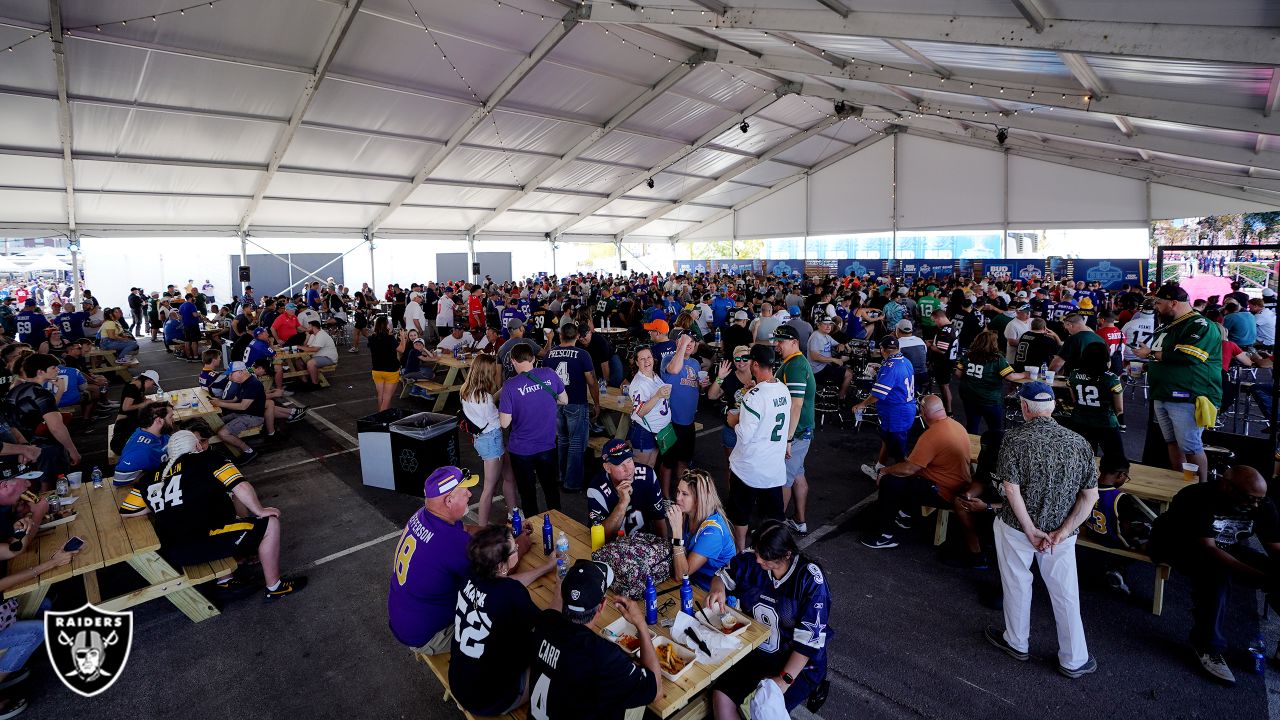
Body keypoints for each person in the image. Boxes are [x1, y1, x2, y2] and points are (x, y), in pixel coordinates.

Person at [985, 381, 1098, 679]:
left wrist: (1030, 528)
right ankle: (1074, 659)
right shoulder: (1079, 442)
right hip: (1062, 532)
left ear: (1024, 407)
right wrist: (1063, 531)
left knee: (1017, 582)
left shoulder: (1014, 439)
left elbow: (1011, 489)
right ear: (1053, 407)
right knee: (1065, 592)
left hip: (1016, 528)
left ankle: (1017, 641)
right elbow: (1090, 496)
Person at [118, 429, 306, 601]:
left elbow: (128, 511)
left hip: (172, 552)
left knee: (208, 518)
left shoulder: (152, 476)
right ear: (198, 446)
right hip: (200, 545)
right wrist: (260, 511)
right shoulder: (208, 458)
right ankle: (275, 587)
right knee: (269, 524)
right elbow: (239, 485)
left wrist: (162, 504)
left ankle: (225, 580)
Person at [1148, 465, 1279, 686]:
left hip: (1223, 546)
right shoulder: (1197, 497)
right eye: (1250, 499)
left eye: (1260, 499)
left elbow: (1275, 546)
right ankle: (1208, 646)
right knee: (1217, 576)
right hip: (1178, 545)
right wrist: (1263, 579)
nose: (1256, 504)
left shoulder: (1261, 505)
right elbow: (1208, 550)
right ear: (1227, 486)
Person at [709, 521, 831, 717]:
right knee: (721, 696)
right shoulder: (751, 558)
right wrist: (718, 587)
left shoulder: (809, 580)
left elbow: (808, 643)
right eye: (757, 552)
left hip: (796, 662)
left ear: (786, 554)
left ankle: (814, 685)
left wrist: (784, 680)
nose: (758, 560)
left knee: (763, 711)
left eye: (764, 557)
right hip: (757, 654)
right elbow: (722, 576)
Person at [528, 559, 661, 719]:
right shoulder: (605, 655)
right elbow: (656, 692)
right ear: (602, 605)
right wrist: (641, 623)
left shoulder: (545, 621)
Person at [447, 524, 556, 716]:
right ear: (501, 566)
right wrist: (562, 582)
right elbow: (552, 625)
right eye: (515, 549)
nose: (518, 550)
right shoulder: (511, 594)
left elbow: (505, 585)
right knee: (552, 656)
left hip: (460, 683)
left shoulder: (471, 574)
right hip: (490, 700)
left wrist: (546, 566)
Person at [862, 395, 975, 552]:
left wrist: (884, 470)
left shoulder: (932, 435)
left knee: (891, 482)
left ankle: (883, 535)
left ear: (923, 411)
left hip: (943, 491)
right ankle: (905, 514)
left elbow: (909, 469)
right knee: (908, 478)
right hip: (957, 485)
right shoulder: (957, 426)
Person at [388, 466, 482, 654]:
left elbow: (465, 529)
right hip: (428, 635)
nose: (470, 494)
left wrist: (496, 532)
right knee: (502, 624)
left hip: (405, 618)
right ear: (449, 501)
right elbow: (494, 577)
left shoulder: (423, 515)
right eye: (465, 492)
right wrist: (518, 544)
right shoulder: (450, 543)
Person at [1132, 284, 1221, 483]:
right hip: (1163, 392)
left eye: (1159, 302)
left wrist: (1152, 354)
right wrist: (1146, 365)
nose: (1156, 307)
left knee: (1190, 445)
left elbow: (1189, 357)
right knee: (1172, 443)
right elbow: (1164, 357)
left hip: (1188, 394)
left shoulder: (1200, 324)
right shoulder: (1167, 325)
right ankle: (1180, 486)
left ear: (1173, 302)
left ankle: (1200, 490)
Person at [726, 344, 791, 547]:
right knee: (773, 517)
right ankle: (776, 552)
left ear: (755, 364)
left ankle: (740, 552)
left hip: (749, 468)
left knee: (741, 514)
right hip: (774, 467)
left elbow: (744, 435)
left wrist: (733, 421)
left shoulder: (753, 396)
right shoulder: (783, 389)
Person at [499, 344, 566, 516]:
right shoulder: (549, 374)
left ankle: (533, 532)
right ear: (534, 359)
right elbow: (564, 400)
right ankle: (559, 524)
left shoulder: (510, 386)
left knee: (528, 494)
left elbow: (505, 423)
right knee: (551, 489)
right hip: (547, 445)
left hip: (521, 450)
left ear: (513, 361)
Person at [459, 355, 517, 527]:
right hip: (491, 440)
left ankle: (513, 513)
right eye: (492, 370)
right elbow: (499, 420)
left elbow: (490, 402)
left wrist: (503, 390)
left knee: (509, 476)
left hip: (485, 440)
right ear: (485, 372)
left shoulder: (467, 390)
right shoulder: (483, 397)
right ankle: (481, 528)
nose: (495, 373)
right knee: (489, 488)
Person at [4, 353, 79, 480]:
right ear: (40, 372)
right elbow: (56, 427)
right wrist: (72, 450)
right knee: (55, 485)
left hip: (24, 447)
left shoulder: (14, 390)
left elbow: (10, 423)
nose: (58, 370)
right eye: (53, 367)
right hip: (47, 447)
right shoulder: (41, 393)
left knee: (40, 486)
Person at [852, 337, 918, 478]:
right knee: (888, 441)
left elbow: (878, 394)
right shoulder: (906, 361)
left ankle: (903, 481)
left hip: (896, 413)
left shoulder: (890, 367)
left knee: (899, 453)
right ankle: (879, 468)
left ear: (883, 349)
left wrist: (862, 404)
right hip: (906, 408)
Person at [772, 325, 815, 536]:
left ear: (794, 342)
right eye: (776, 340)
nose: (776, 344)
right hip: (799, 431)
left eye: (781, 341)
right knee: (798, 475)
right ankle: (799, 520)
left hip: (796, 433)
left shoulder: (796, 365)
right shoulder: (793, 363)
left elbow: (795, 404)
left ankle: (774, 529)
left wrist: (788, 437)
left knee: (784, 479)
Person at [546, 323, 598, 493]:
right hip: (576, 402)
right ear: (576, 337)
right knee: (576, 444)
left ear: (561, 336)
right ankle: (572, 482)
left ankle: (561, 476)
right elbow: (591, 381)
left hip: (556, 403)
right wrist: (596, 403)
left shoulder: (550, 354)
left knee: (562, 440)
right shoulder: (583, 354)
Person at [664, 468, 736, 590]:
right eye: (678, 492)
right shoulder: (687, 515)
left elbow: (681, 576)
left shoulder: (713, 532)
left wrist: (676, 531)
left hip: (710, 592)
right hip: (693, 582)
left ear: (699, 499)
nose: (678, 498)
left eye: (685, 494)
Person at [588, 439, 668, 540]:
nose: (628, 469)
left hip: (644, 544)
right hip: (611, 549)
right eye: (620, 464)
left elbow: (659, 518)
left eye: (629, 461)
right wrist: (623, 503)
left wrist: (665, 548)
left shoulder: (648, 475)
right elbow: (600, 537)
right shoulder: (596, 489)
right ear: (607, 468)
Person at [956, 330, 1024, 434]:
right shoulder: (997, 359)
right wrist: (1025, 374)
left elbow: (958, 374)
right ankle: (993, 449)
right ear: (994, 343)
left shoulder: (968, 355)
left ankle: (970, 448)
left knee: (972, 425)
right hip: (989, 399)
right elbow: (1010, 377)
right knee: (995, 429)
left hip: (968, 395)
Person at [659, 334, 702, 496]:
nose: (689, 344)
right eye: (685, 340)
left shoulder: (696, 363)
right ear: (678, 342)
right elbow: (674, 370)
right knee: (668, 461)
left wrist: (703, 385)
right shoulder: (668, 359)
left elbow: (696, 388)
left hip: (688, 422)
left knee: (683, 460)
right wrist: (682, 346)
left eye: (692, 341)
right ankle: (665, 495)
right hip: (670, 421)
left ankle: (680, 494)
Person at [1065, 342, 1125, 460]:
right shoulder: (1111, 378)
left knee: (1081, 458)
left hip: (1079, 421)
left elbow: (1074, 400)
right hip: (1105, 423)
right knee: (1116, 460)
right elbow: (1119, 409)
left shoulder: (1074, 375)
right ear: (1106, 358)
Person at [626, 346, 672, 471]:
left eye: (649, 357)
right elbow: (640, 412)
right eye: (642, 359)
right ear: (636, 362)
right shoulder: (638, 383)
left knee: (651, 465)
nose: (647, 361)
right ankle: (633, 491)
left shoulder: (654, 375)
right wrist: (658, 395)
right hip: (644, 431)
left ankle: (647, 489)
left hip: (659, 430)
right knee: (640, 469)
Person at [113, 401, 173, 485]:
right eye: (170, 417)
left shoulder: (158, 433)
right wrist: (154, 475)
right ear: (159, 421)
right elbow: (120, 480)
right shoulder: (140, 451)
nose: (173, 420)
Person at [922, 309, 959, 413]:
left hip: (943, 363)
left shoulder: (944, 331)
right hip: (950, 361)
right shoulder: (952, 327)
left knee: (944, 386)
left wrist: (930, 345)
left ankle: (948, 411)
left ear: (939, 318)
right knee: (944, 385)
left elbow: (942, 350)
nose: (935, 323)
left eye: (934, 320)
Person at [367, 317, 406, 412]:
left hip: (376, 370)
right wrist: (403, 338)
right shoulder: (390, 338)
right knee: (387, 397)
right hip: (391, 371)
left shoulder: (371, 338)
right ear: (386, 325)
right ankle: (381, 418)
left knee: (381, 395)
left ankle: (384, 415)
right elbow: (402, 350)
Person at [299, 320, 337, 389]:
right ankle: (305, 381)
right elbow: (306, 347)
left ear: (313, 327)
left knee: (311, 363)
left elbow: (315, 349)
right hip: (317, 356)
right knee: (298, 362)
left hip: (328, 357)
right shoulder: (313, 335)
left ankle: (315, 384)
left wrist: (299, 347)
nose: (307, 328)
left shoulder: (321, 334)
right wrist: (307, 337)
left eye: (309, 327)